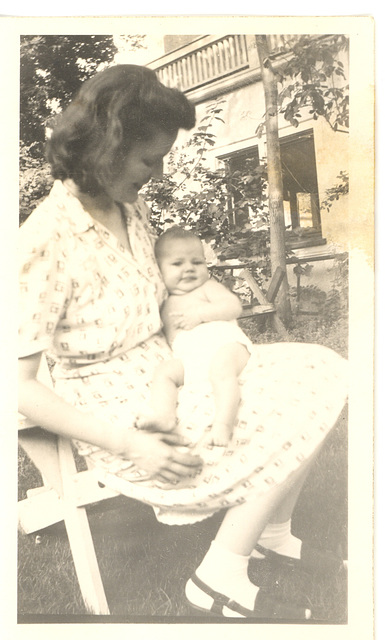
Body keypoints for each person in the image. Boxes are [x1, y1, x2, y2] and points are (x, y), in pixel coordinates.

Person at [18, 64, 348, 619]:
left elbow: (169, 287)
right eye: (150, 158)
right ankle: (218, 578)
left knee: (321, 367)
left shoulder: (129, 208)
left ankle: (271, 534)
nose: (158, 171)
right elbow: (17, 386)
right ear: (107, 146)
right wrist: (129, 444)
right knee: (286, 401)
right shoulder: (43, 241)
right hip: (123, 412)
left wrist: (212, 314)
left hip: (172, 365)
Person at [137, 226, 252, 448]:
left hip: (226, 345)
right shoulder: (163, 302)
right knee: (165, 372)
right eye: (177, 264)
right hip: (192, 358)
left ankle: (223, 425)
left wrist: (200, 314)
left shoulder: (207, 287)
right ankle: (164, 416)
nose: (189, 268)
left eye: (197, 262)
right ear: (159, 271)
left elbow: (233, 306)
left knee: (222, 370)